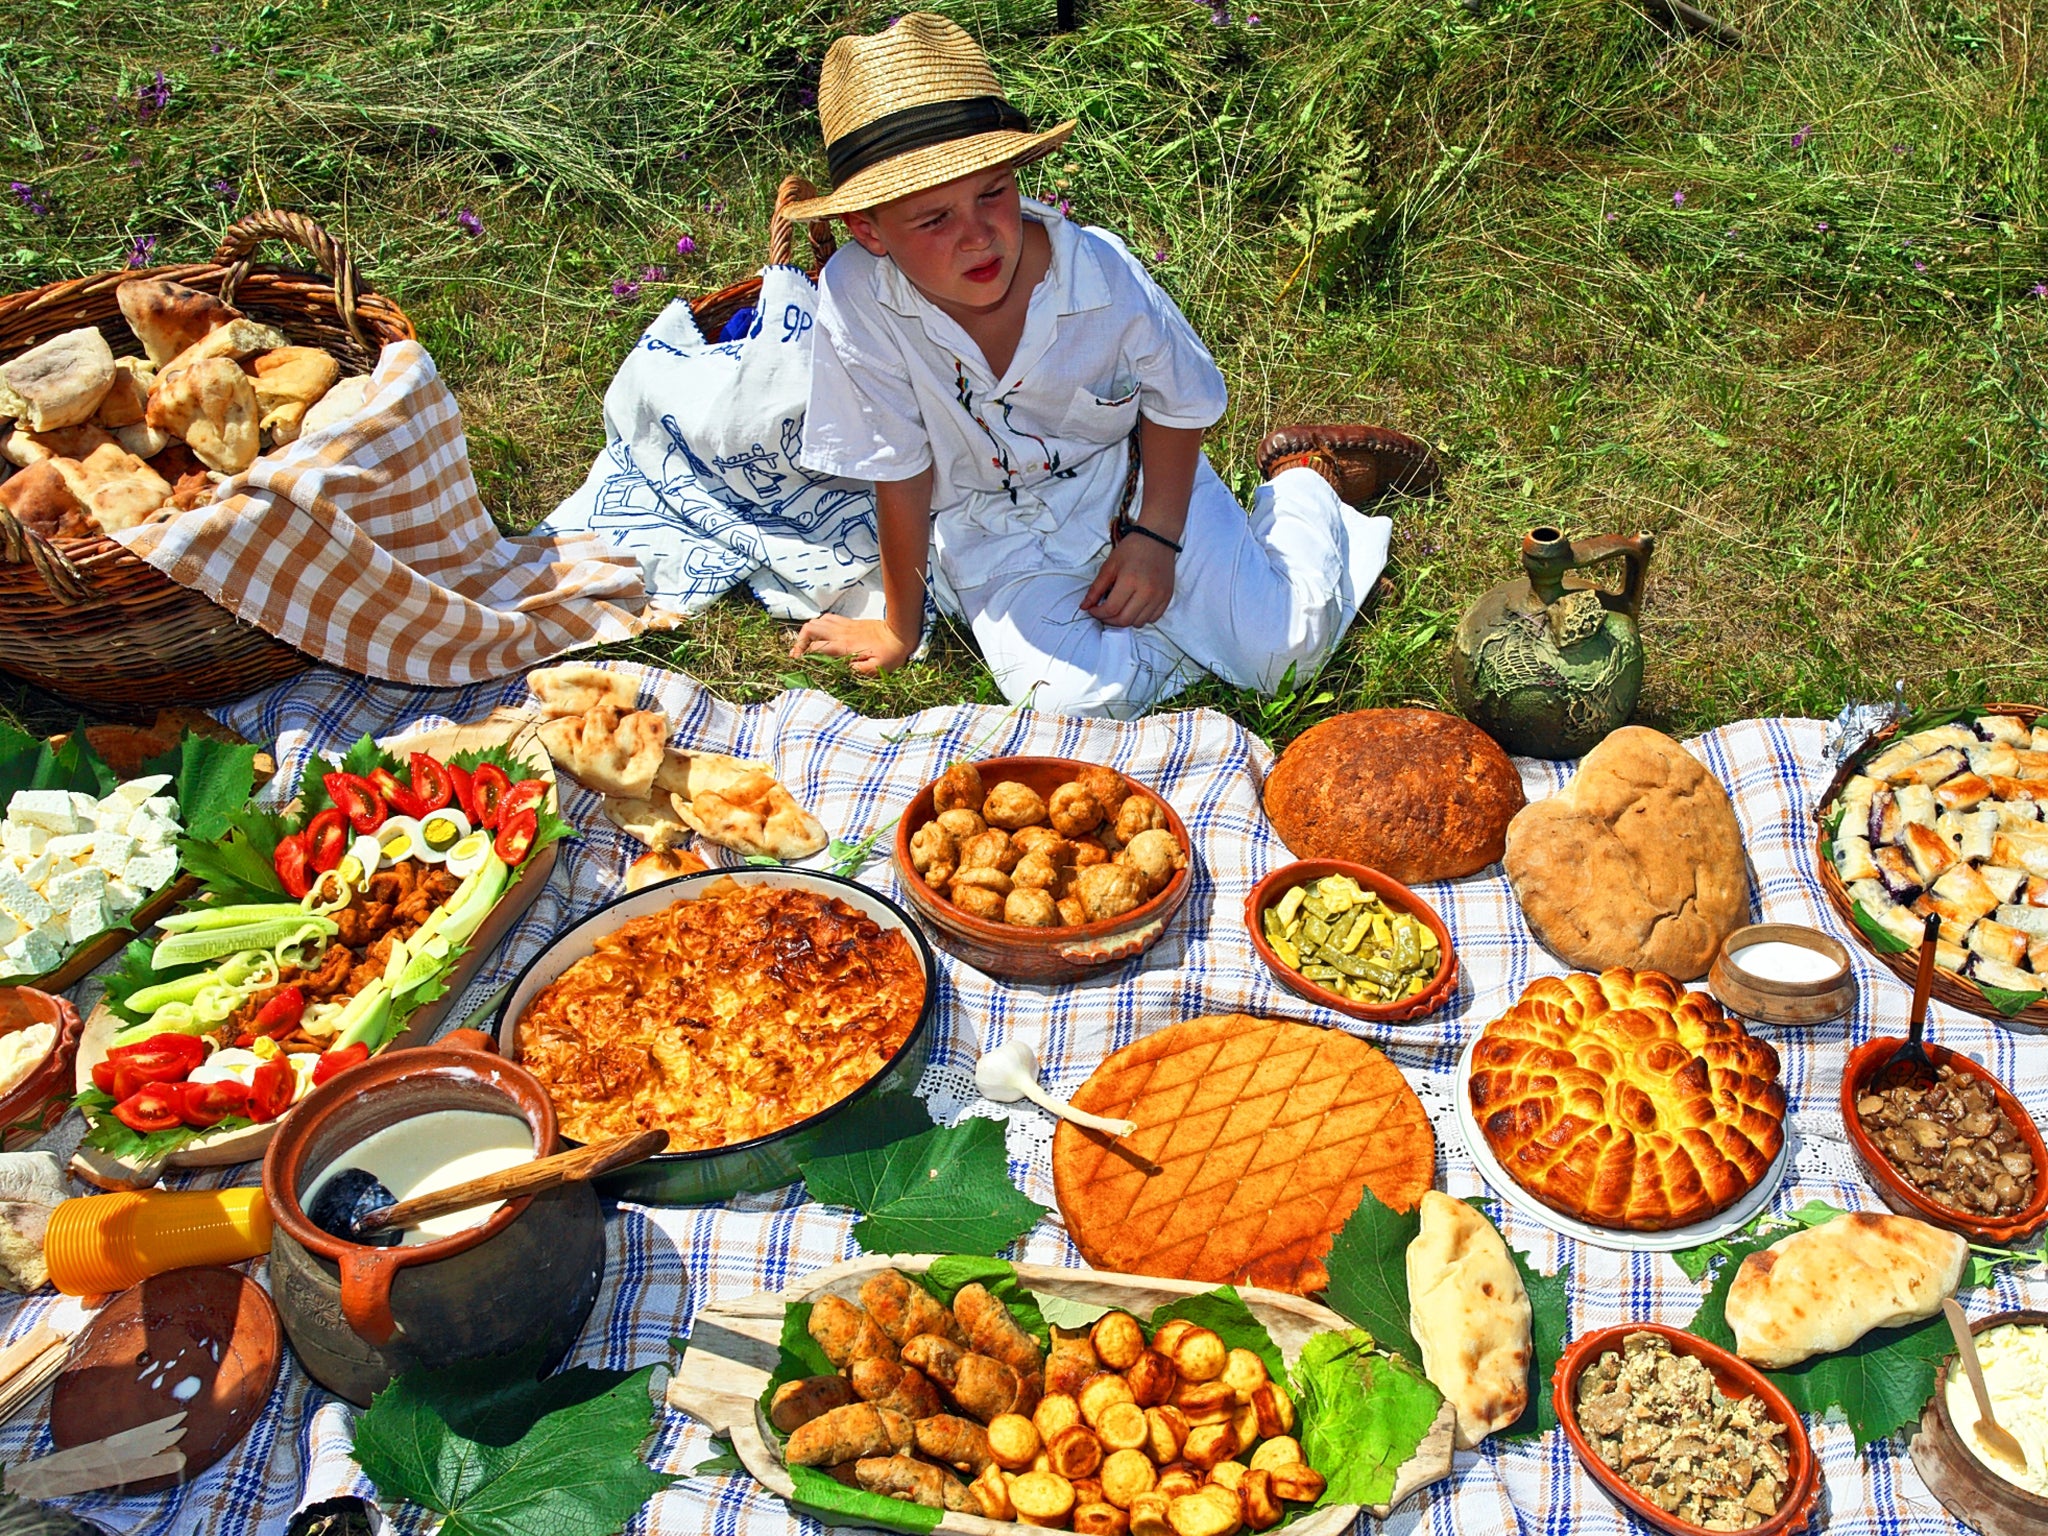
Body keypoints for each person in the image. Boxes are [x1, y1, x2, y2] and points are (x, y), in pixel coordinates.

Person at [785, 13, 1439, 719]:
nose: (978, 235)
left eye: (993, 193)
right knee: (1066, 705)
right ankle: (1195, 624)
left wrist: (1156, 541)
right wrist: (898, 627)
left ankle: (1308, 480)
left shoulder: (1098, 273)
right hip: (989, 527)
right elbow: (899, 466)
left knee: (1282, 656)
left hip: (1130, 477)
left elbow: (1178, 405)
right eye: (934, 219)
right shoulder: (856, 295)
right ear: (869, 233)